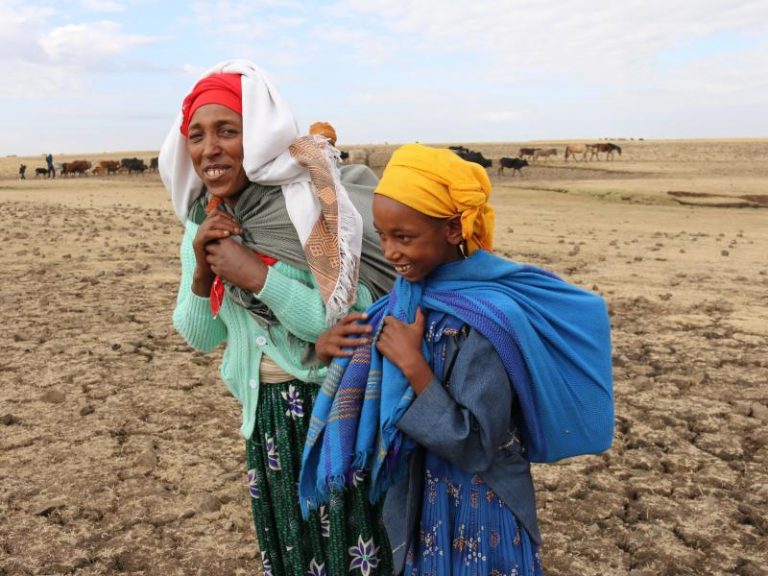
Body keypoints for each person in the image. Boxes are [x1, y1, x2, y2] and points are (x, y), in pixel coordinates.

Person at [305, 144, 613, 575]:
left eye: (404, 237)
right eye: (383, 235)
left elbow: (477, 442)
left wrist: (414, 366)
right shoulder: (403, 302)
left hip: (481, 506)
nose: (390, 251)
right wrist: (327, 351)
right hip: (423, 500)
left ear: (452, 230)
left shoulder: (486, 319)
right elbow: (366, 375)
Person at [159, 59, 395, 576]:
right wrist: (203, 270)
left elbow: (341, 321)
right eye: (196, 135)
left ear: (259, 135)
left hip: (332, 399)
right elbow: (200, 335)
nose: (209, 148)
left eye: (228, 131)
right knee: (291, 547)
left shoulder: (304, 205)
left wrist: (256, 276)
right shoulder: (202, 219)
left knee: (352, 549)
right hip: (265, 414)